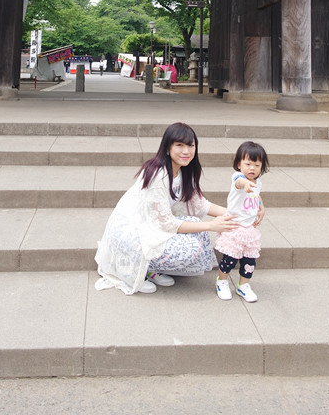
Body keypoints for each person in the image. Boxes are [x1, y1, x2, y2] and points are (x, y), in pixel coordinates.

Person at [95, 122, 237, 295]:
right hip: (133, 234)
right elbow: (167, 224)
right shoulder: (158, 174)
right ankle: (136, 271)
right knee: (191, 247)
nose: (186, 151)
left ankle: (149, 267)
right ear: (167, 148)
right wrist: (211, 225)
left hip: (150, 226)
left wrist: (239, 216)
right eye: (179, 145)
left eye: (190, 145)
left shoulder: (183, 171)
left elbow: (200, 205)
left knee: (196, 229)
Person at [214, 141, 270, 303]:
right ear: (239, 164)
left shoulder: (258, 183)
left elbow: (256, 195)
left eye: (257, 165)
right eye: (248, 164)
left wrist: (261, 207)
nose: (252, 168)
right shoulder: (237, 178)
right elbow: (240, 183)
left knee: (249, 261)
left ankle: (243, 285)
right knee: (229, 258)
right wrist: (245, 183)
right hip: (234, 227)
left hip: (249, 230)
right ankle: (222, 281)